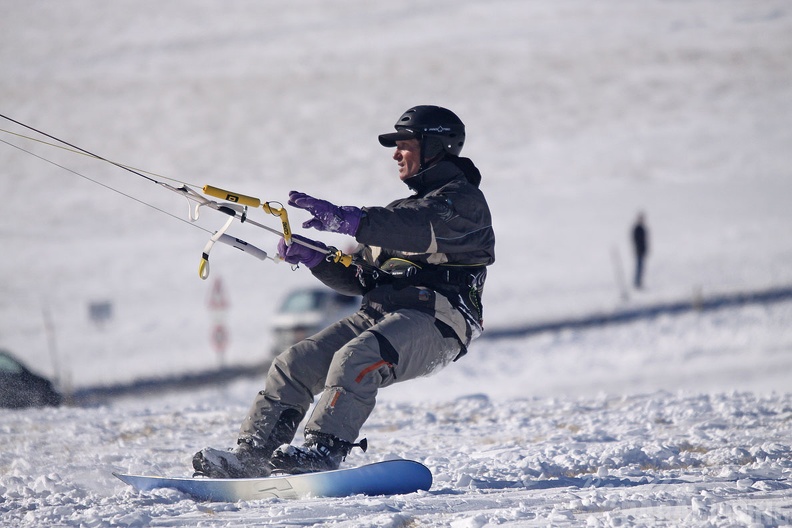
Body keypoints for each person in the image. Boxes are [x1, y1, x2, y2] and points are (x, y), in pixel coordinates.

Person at [192, 105, 496, 477]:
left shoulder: (463, 204)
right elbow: (362, 278)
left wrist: (353, 219)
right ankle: (252, 456)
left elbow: (417, 228)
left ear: (435, 146)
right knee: (295, 364)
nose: (396, 154)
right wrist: (317, 259)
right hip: (381, 312)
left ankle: (322, 451)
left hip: (440, 319)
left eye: (405, 144)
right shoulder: (399, 210)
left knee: (356, 357)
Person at [632, 212, 649, 289]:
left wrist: (645, 249)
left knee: (641, 268)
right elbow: (635, 240)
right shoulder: (637, 228)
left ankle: (639, 282)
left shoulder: (642, 228)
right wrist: (638, 248)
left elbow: (645, 240)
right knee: (638, 267)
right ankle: (637, 282)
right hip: (638, 251)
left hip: (642, 251)